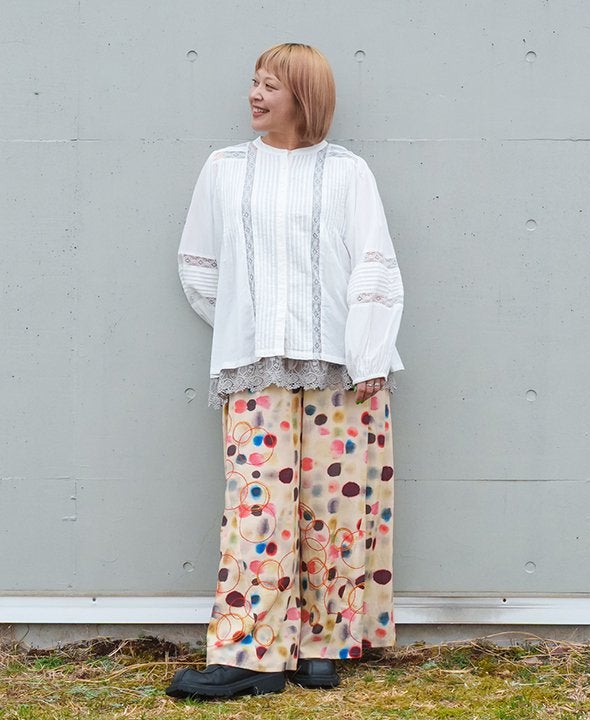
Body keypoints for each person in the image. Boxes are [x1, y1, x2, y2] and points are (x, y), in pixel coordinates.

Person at [166, 42, 404, 701]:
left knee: (335, 507)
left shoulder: (348, 172)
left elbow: (375, 262)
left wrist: (369, 352)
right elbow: (198, 265)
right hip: (254, 369)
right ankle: (251, 653)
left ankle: (322, 647)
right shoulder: (225, 168)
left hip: (342, 367)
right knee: (257, 510)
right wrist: (248, 328)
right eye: (254, 82)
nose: (255, 94)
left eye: (270, 85)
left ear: (305, 96)